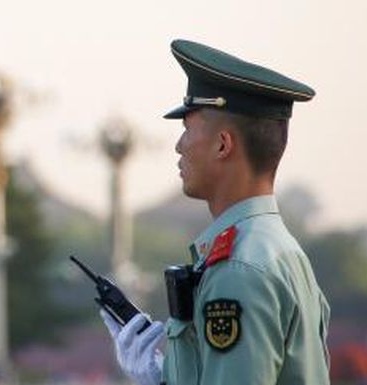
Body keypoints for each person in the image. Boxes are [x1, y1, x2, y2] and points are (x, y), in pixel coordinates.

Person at [100, 39, 331, 385]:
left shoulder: (238, 267)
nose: (179, 146)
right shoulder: (280, 249)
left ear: (223, 144)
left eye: (187, 130)